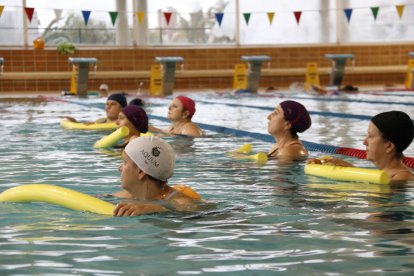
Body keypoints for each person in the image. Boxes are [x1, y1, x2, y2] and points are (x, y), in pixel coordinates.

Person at [308, 111, 414, 182]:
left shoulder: (402, 177)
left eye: (371, 136)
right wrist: (348, 169)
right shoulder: (385, 173)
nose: (364, 142)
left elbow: (378, 200)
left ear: (389, 146)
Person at [113, 136, 198, 216]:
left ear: (141, 172)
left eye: (125, 162)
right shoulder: (126, 196)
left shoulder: (180, 202)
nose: (119, 168)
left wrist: (158, 209)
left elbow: (192, 214)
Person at [63, 93, 127, 124]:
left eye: (113, 104)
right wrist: (75, 122)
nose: (108, 107)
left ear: (122, 108)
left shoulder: (126, 124)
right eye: (107, 104)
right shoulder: (100, 121)